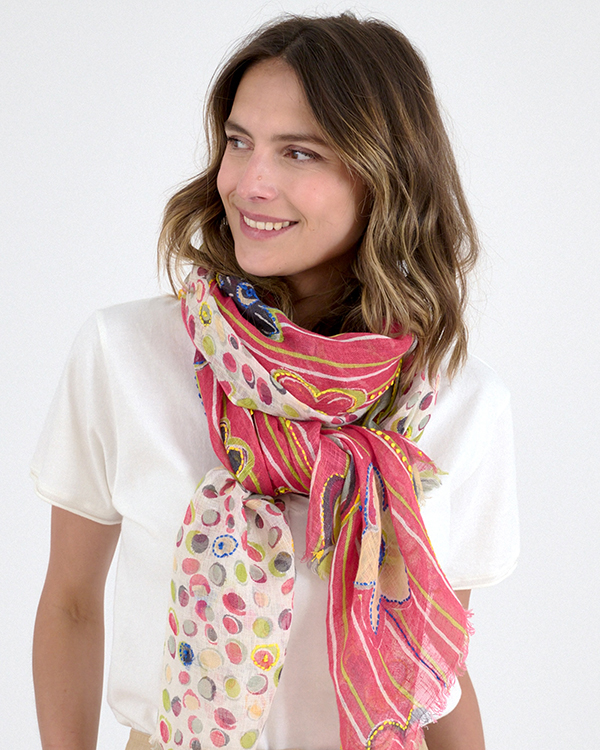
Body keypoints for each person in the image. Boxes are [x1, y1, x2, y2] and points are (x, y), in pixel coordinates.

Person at [31, 13, 519, 750]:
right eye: (238, 142)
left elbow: (431, 673)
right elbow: (71, 603)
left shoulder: (459, 404)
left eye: (299, 152)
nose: (249, 183)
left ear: (385, 175)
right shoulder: (127, 354)